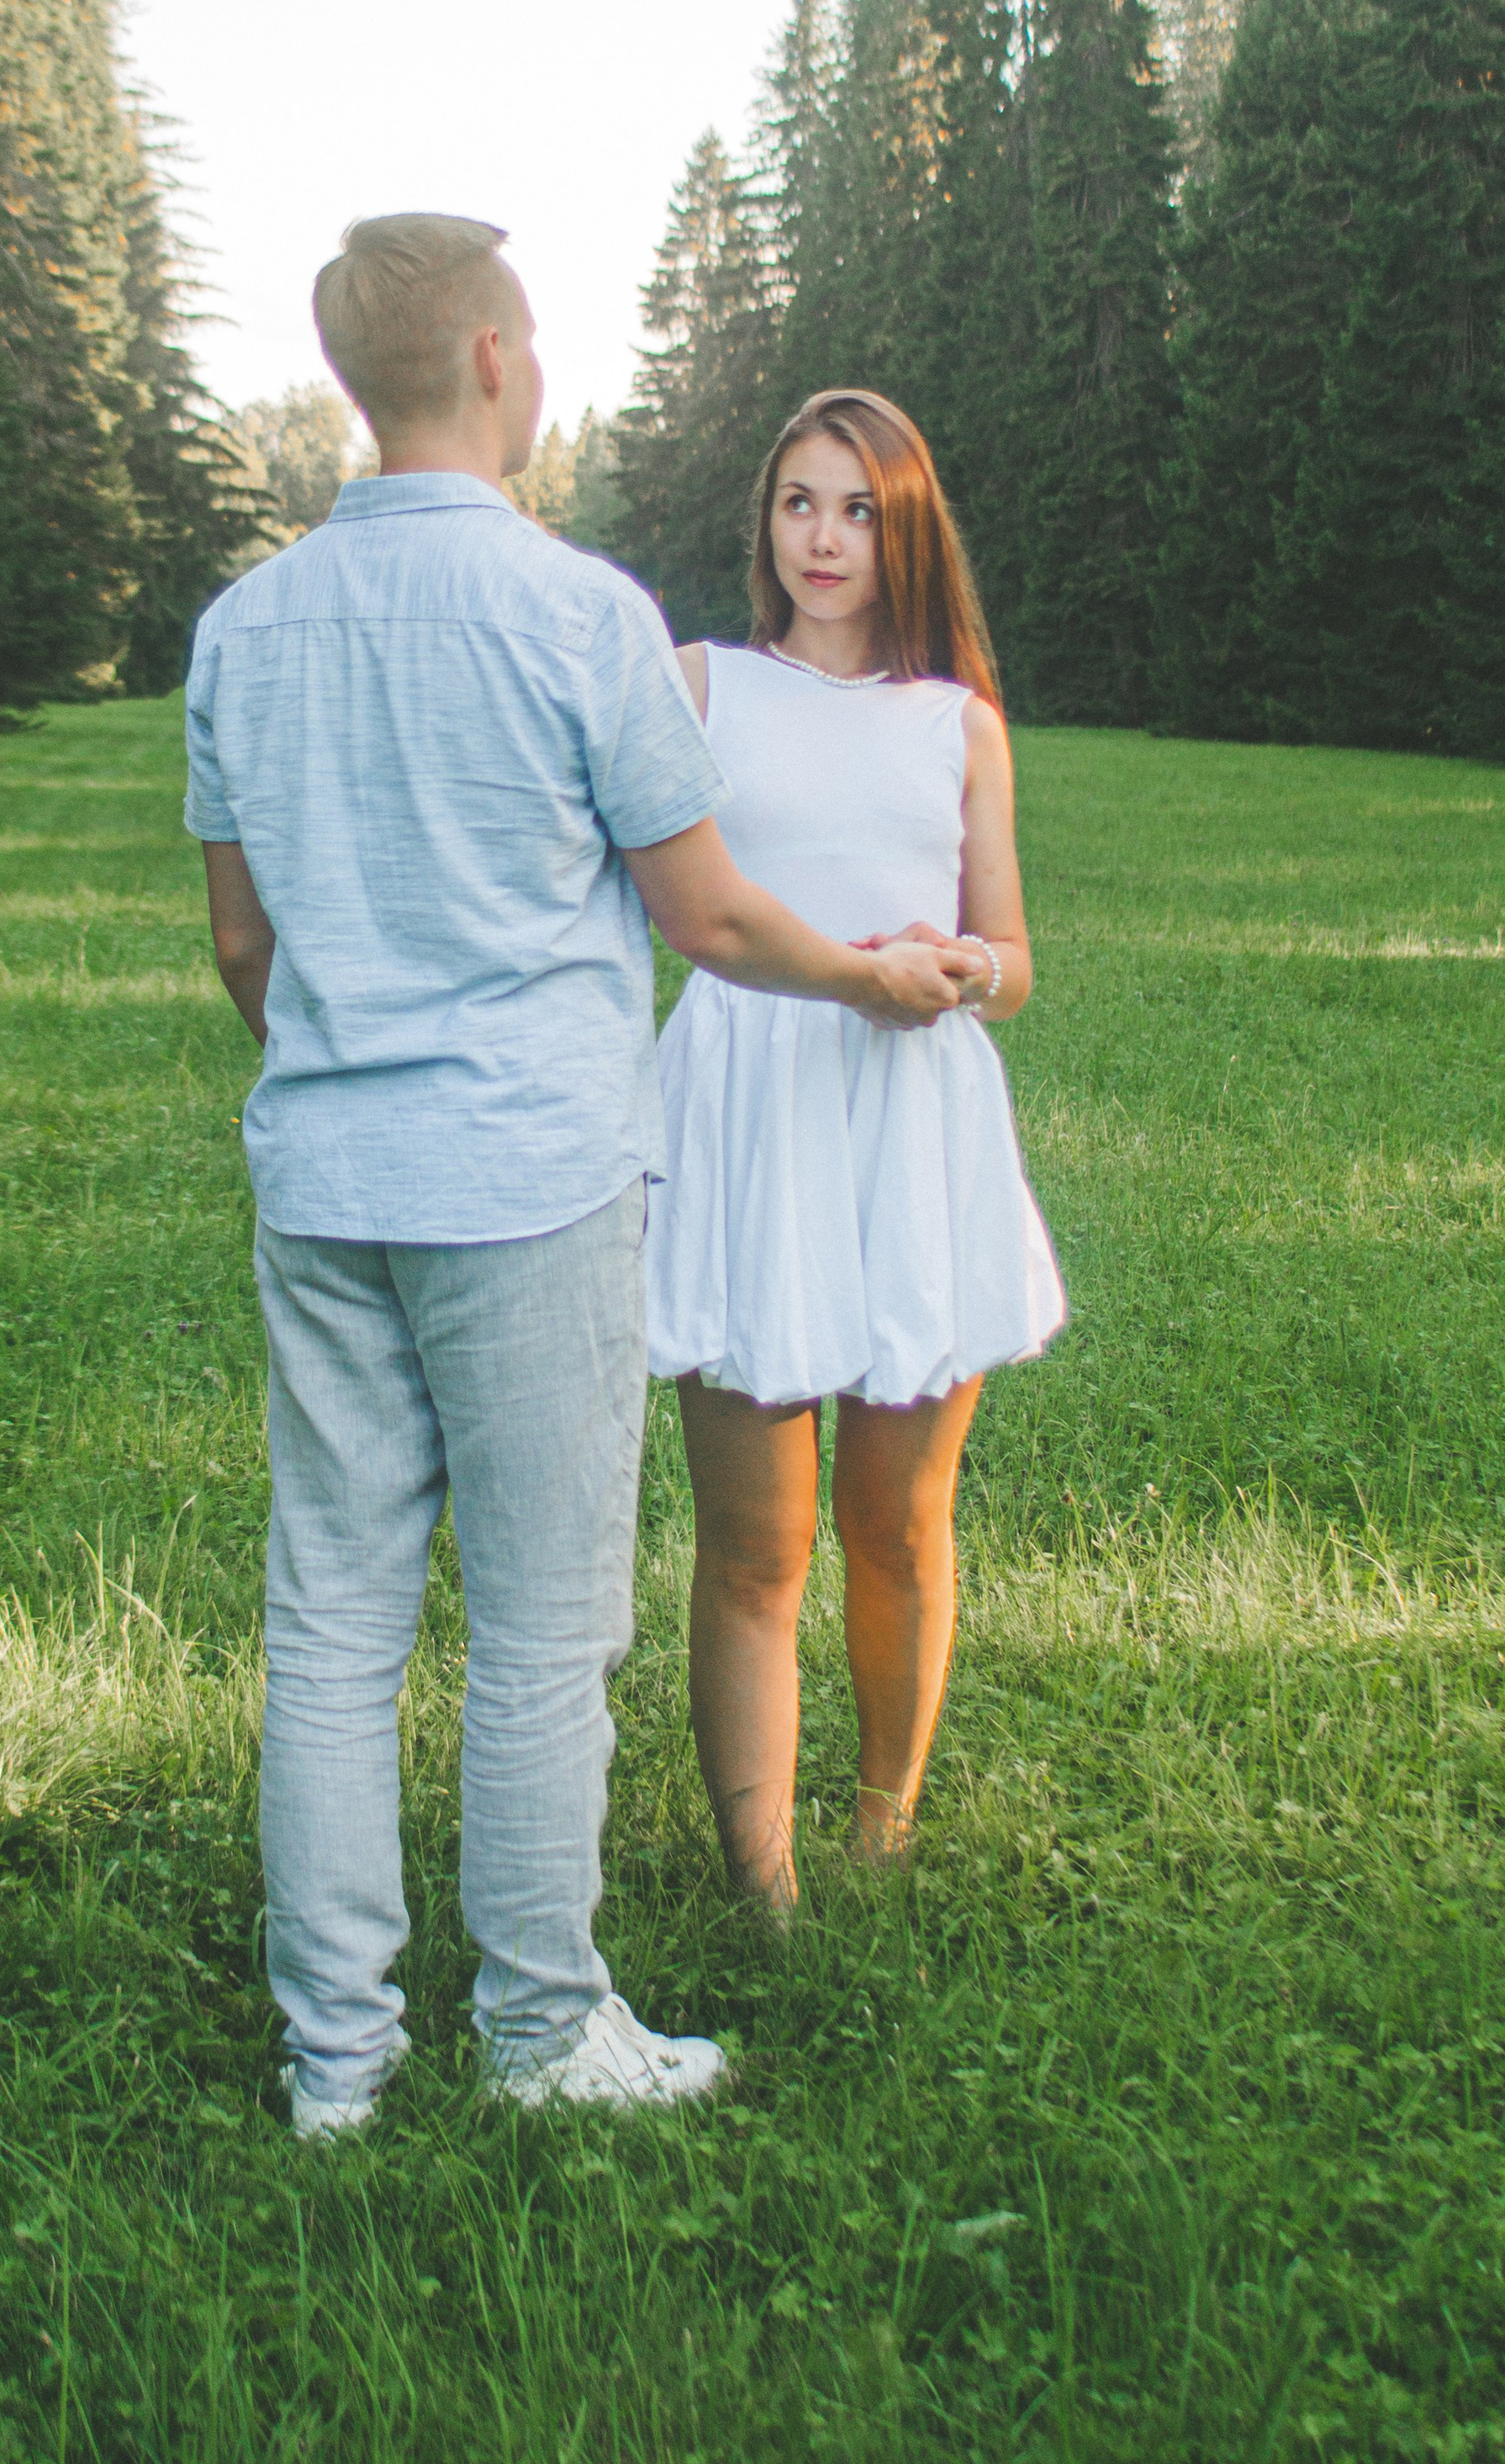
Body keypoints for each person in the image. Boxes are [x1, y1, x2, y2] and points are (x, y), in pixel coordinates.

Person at [184, 221, 980, 2137]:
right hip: (528, 1186)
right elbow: (701, 911)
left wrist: (352, 1054)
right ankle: (544, 2032)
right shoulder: (578, 615)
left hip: (326, 1177)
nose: (538, 372)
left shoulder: (243, 629)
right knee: (546, 1627)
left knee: (333, 1621)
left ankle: (339, 2062)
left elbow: (241, 951)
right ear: (485, 354)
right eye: (530, 342)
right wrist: (870, 972)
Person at [646, 389, 1067, 1910]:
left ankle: (884, 1819)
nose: (823, 540)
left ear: (907, 531)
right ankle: (763, 1887)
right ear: (765, 524)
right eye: (796, 504)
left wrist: (960, 968)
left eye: (856, 509)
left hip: (910, 1113)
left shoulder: (959, 725)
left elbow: (1014, 956)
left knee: (897, 1515)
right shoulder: (697, 686)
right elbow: (672, 902)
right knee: (759, 1539)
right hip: (749, 1115)